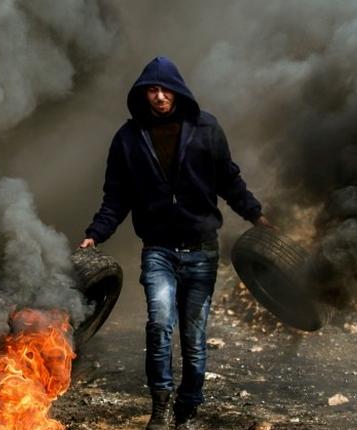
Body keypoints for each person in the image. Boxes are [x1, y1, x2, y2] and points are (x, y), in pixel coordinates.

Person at [80, 56, 271, 430]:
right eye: (152, 89)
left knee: (195, 338)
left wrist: (256, 216)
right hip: (158, 251)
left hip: (202, 250)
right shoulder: (128, 139)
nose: (160, 96)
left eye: (166, 88)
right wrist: (95, 234)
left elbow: (229, 181)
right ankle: (162, 407)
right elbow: (116, 196)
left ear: (178, 90)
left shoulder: (206, 128)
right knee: (159, 326)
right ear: (142, 95)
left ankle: (188, 406)